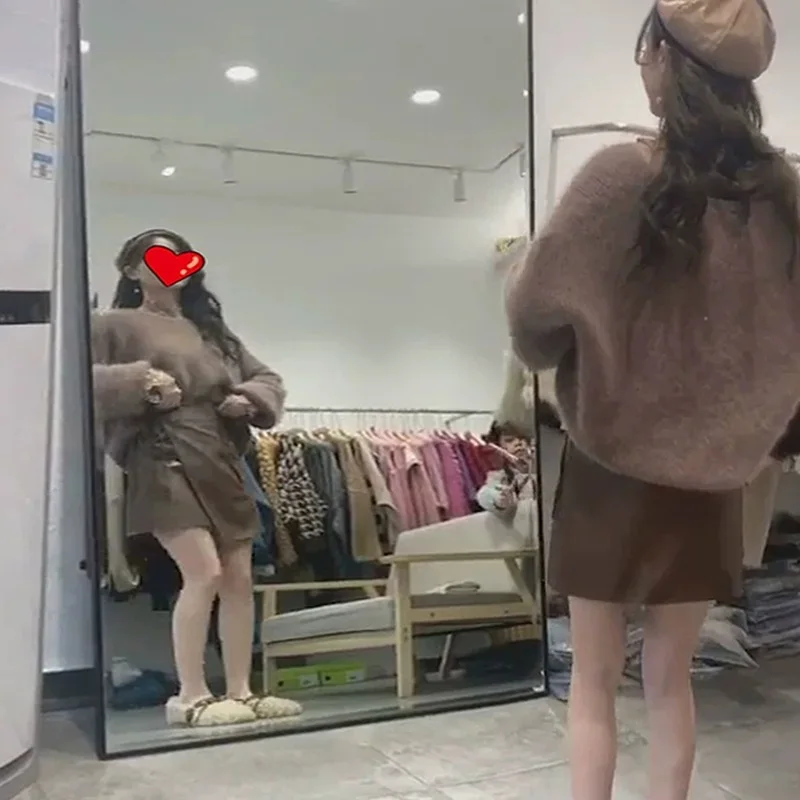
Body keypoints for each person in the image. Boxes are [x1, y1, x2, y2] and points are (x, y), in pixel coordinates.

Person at [505, 2, 800, 799]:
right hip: (713, 477)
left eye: (645, 49)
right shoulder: (784, 200)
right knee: (673, 680)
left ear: (662, 56)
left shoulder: (620, 176)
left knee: (595, 679)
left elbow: (533, 318)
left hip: (612, 467)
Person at [92, 228, 302, 727]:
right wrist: (142, 382)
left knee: (239, 577)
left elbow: (268, 379)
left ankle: (241, 691)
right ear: (132, 269)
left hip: (220, 456)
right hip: (160, 454)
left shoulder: (213, 333)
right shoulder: (112, 324)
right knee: (203, 572)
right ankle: (189, 696)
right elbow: (82, 378)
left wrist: (247, 399)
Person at [476, 421, 535, 518]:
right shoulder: (501, 476)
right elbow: (485, 494)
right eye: (509, 440)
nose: (518, 443)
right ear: (499, 446)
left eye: (523, 438)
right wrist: (497, 498)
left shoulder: (545, 468)